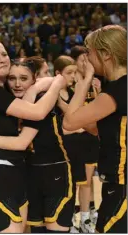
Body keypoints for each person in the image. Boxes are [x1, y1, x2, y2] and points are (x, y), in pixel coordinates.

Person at [0, 39, 66, 233]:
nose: (2, 59)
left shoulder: (4, 91)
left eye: (4, 54)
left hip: (18, 173)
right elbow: (37, 112)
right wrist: (57, 82)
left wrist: (37, 87)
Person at [63, 25, 127, 233]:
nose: (86, 59)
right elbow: (99, 129)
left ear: (106, 54)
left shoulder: (118, 90)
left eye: (89, 53)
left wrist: (84, 81)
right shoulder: (115, 87)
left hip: (122, 184)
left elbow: (69, 122)